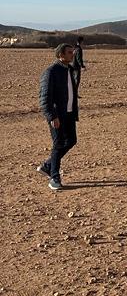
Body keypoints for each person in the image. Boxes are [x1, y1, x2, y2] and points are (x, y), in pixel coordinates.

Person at [37, 43, 79, 191]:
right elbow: (44, 98)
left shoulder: (70, 70)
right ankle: (54, 177)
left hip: (69, 114)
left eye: (72, 52)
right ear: (60, 55)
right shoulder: (51, 72)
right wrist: (51, 116)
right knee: (59, 143)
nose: (72, 54)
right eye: (69, 52)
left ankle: (48, 165)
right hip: (57, 115)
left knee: (71, 140)